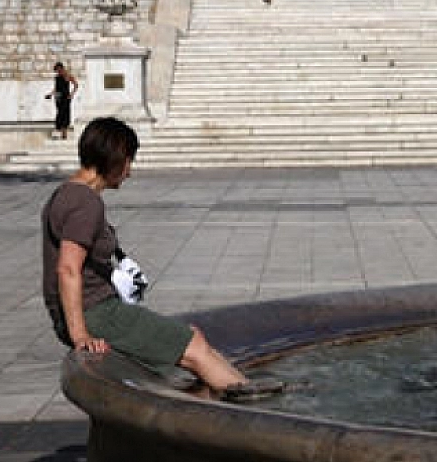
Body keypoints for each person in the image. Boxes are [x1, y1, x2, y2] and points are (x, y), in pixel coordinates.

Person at [42, 117, 282, 400]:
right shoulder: (85, 202)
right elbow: (67, 269)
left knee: (189, 337)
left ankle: (241, 387)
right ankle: (254, 408)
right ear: (115, 157)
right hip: (98, 313)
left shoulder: (65, 193)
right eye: (129, 161)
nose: (129, 172)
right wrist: (80, 335)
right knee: (193, 346)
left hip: (96, 311)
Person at [48, 62, 79, 140]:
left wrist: (72, 94)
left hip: (66, 97)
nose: (58, 72)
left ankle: (64, 133)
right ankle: (59, 131)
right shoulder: (57, 77)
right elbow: (56, 88)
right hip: (58, 97)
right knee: (59, 114)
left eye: (58, 70)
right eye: (56, 70)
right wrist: (50, 94)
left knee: (65, 114)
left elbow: (76, 85)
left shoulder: (67, 76)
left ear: (61, 68)